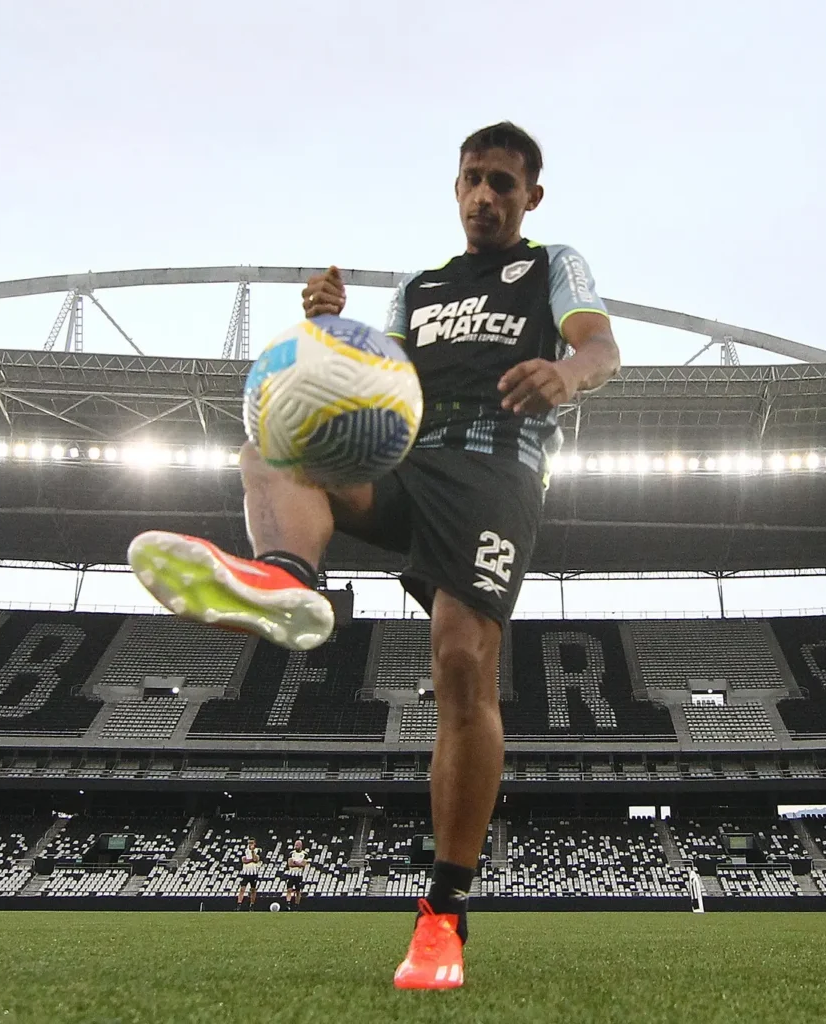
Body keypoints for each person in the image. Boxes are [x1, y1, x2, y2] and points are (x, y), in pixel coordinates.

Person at [128, 121, 619, 989]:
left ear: (531, 197)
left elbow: (600, 345)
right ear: (455, 186)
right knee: (271, 446)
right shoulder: (422, 290)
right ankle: (287, 579)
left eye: (504, 183)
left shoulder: (553, 263)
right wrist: (326, 329)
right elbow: (377, 375)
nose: (486, 196)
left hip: (497, 471)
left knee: (463, 661)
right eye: (473, 179)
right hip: (410, 460)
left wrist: (568, 374)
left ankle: (443, 913)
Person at [236, 838, 262, 910]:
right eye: (249, 843)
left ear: (254, 843)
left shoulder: (258, 850)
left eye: (251, 843)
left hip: (253, 872)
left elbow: (256, 859)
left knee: (253, 889)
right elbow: (244, 860)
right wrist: (252, 860)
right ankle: (239, 904)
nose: (250, 844)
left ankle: (252, 905)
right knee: (242, 888)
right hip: (245, 872)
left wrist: (253, 852)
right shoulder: (244, 851)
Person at [281, 839, 308, 910]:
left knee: (298, 891)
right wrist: (298, 864)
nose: (295, 846)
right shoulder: (291, 853)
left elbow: (303, 864)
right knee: (289, 889)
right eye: (295, 845)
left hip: (299, 874)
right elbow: (290, 864)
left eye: (297, 845)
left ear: (300, 846)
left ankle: (297, 905)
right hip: (291, 874)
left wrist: (295, 862)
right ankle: (288, 903)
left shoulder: (304, 854)